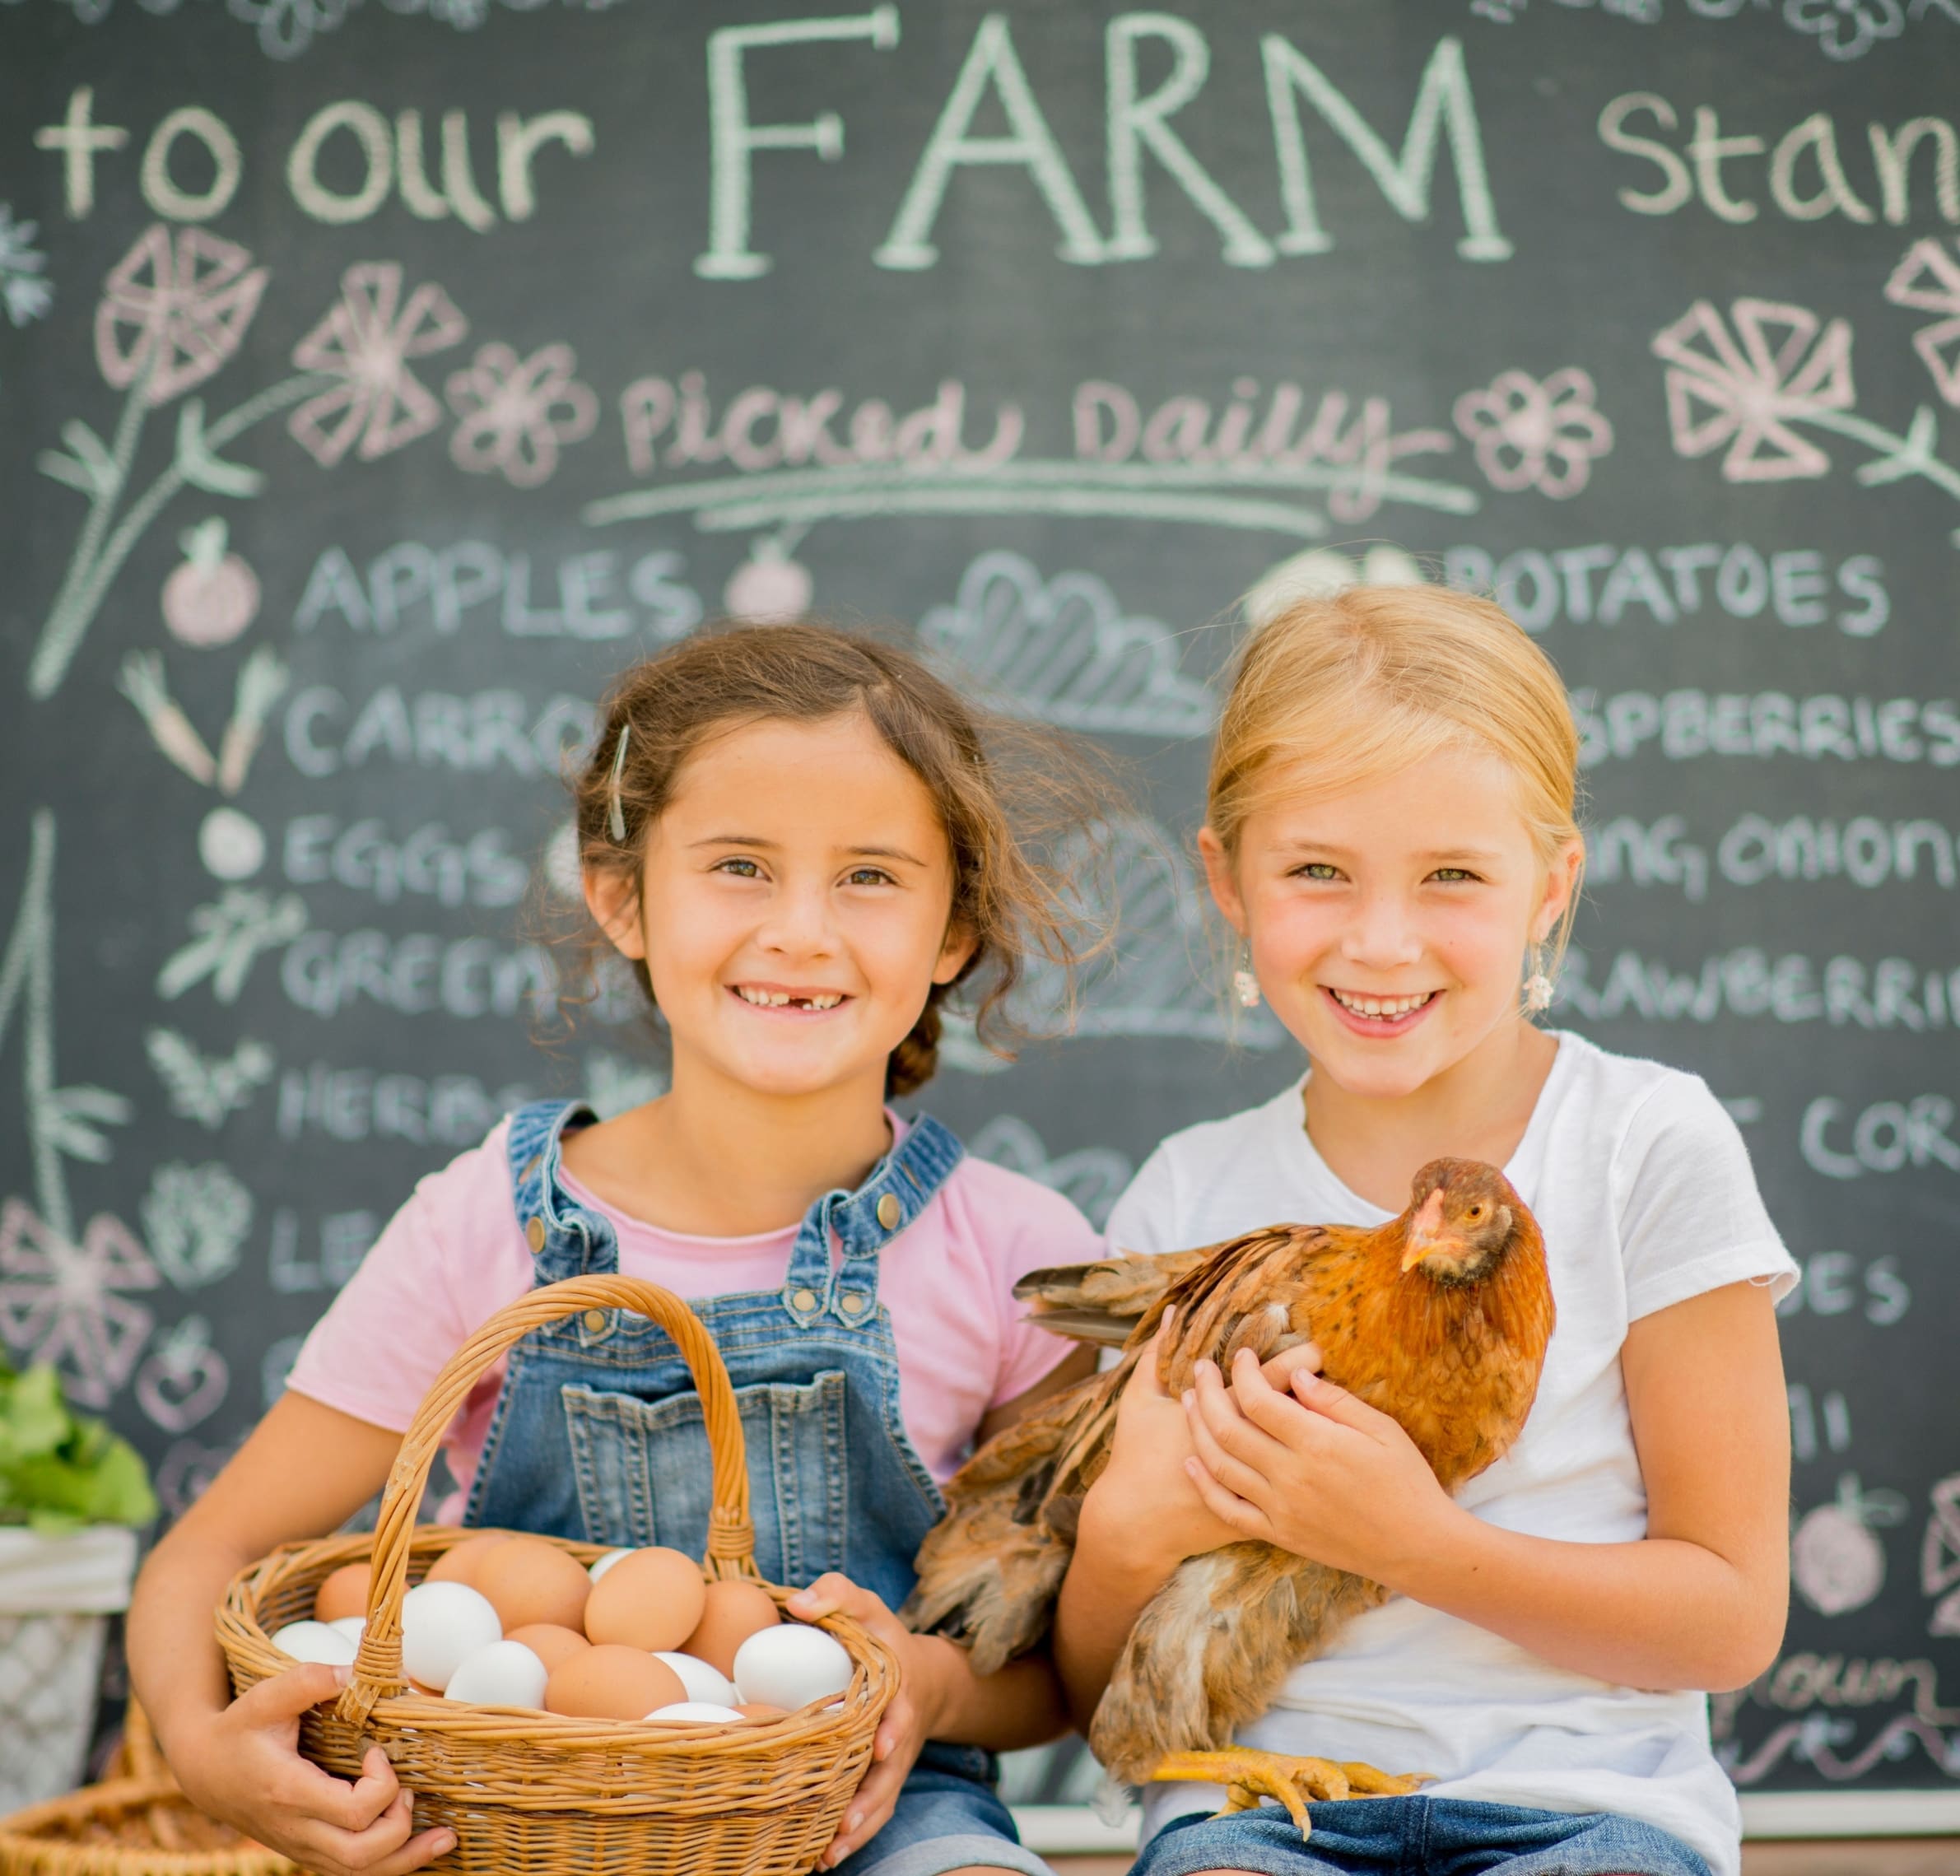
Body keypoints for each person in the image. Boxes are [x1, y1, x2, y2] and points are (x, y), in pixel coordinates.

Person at [129, 622, 1117, 1876]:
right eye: (740, 867)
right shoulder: (484, 1219)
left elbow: (1057, 1675)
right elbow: (204, 1555)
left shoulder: (1018, 1259)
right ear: (621, 898)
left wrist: (922, 1682)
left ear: (951, 934)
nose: (802, 930)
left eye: (869, 876)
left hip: (870, 1814)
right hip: (500, 1812)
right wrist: (202, 1746)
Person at [1051, 584, 1795, 1876]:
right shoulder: (1190, 1197)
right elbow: (1088, 1689)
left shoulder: (1641, 1145)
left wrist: (1413, 1544)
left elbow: (1727, 1623)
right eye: (1316, 872)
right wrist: (1123, 1535)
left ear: (1550, 886)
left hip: (1588, 1806)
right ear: (1225, 883)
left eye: (1450, 875)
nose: (1381, 942)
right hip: (1260, 1815)